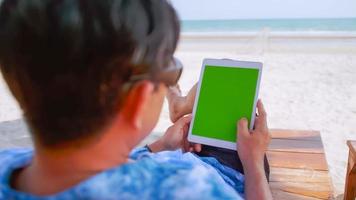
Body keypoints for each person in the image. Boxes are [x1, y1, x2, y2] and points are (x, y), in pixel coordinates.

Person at [0, 0, 272, 199]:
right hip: (229, 171)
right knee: (228, 80)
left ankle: (180, 106)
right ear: (139, 99)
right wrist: (254, 161)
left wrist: (160, 145)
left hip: (175, 151)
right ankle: (181, 105)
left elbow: (97, 167)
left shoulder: (8, 165)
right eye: (169, 70)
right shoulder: (187, 187)